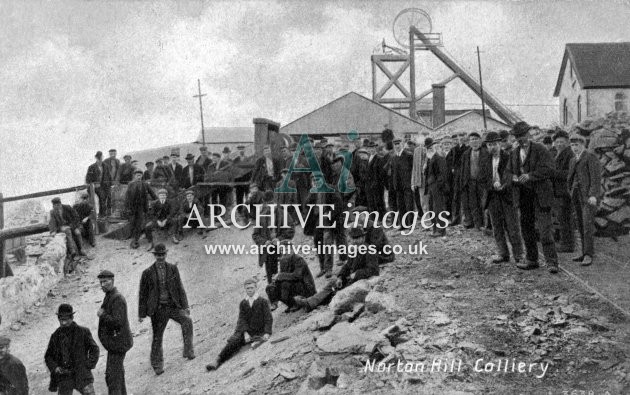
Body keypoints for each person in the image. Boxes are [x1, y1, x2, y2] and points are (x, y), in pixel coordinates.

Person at [507, 122, 559, 273]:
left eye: (522, 135)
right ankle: (532, 260)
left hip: (541, 195)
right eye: (517, 137)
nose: (520, 139)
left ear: (528, 134)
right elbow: (508, 171)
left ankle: (552, 262)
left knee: (545, 230)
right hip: (523, 196)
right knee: (527, 229)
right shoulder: (514, 153)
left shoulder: (540, 149)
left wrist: (530, 176)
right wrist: (514, 178)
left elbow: (549, 169)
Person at [138, 243, 195, 375]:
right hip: (158, 310)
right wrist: (141, 314)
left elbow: (180, 288)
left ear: (166, 254)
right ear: (155, 256)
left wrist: (185, 306)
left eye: (163, 255)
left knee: (187, 321)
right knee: (157, 337)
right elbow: (143, 294)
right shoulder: (147, 273)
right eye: (158, 255)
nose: (160, 257)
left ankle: (188, 351)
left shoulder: (173, 268)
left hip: (173, 306)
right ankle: (157, 365)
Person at [294, 227, 379, 311]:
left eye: (357, 238)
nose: (354, 241)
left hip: (362, 280)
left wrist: (356, 274)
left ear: (363, 238)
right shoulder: (354, 249)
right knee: (333, 282)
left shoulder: (370, 250)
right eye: (353, 238)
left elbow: (374, 270)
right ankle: (310, 303)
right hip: (352, 279)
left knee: (334, 291)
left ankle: (310, 303)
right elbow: (347, 266)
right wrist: (340, 277)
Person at [206, 278, 272, 371]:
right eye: (247, 288)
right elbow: (242, 319)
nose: (249, 290)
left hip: (259, 330)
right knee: (234, 341)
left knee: (258, 339)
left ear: (256, 288)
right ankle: (217, 360)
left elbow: (268, 318)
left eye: (251, 288)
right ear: (245, 289)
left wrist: (267, 332)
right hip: (247, 331)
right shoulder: (243, 303)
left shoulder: (263, 301)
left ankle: (254, 340)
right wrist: (245, 333)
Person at [480, 132, 524, 264]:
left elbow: (513, 176)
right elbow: (482, 179)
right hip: (492, 196)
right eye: (489, 145)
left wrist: (504, 185)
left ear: (500, 144)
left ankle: (519, 255)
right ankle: (503, 253)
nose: (492, 147)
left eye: (494, 144)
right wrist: (492, 185)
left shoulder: (509, 158)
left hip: (507, 196)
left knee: (513, 227)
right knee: (497, 227)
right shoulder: (485, 160)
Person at [45, 304, 100, 395]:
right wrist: (55, 367)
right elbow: (48, 356)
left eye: (66, 319)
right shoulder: (55, 335)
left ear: (72, 318)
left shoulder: (83, 332)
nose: (63, 323)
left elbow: (94, 349)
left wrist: (88, 365)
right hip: (65, 377)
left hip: (82, 375)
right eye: (61, 319)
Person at [568, 134, 602, 266]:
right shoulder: (572, 160)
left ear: (583, 145)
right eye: (572, 145)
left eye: (577, 145)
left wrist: (593, 195)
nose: (574, 147)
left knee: (587, 225)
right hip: (576, 196)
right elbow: (570, 178)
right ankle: (583, 252)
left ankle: (588, 254)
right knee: (580, 224)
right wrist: (570, 191)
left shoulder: (590, 157)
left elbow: (595, 178)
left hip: (588, 197)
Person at [97, 270, 132, 395]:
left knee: (112, 378)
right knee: (116, 375)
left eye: (105, 282)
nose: (102, 285)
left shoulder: (117, 298)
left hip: (118, 344)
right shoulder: (109, 296)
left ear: (112, 281)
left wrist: (103, 315)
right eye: (101, 282)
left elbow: (118, 322)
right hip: (115, 344)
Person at [252, 191, 295, 284]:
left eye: (272, 203)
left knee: (287, 273)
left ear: (275, 201)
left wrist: (279, 239)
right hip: (268, 249)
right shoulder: (261, 217)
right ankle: (273, 293)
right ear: (264, 203)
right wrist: (264, 242)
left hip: (283, 247)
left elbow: (291, 230)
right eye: (268, 204)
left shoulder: (284, 214)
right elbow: (255, 235)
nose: (270, 206)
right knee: (271, 276)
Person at [266, 241, 316, 312]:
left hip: (305, 288)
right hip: (292, 285)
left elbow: (297, 276)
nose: (285, 252)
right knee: (270, 287)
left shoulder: (298, 259)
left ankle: (297, 303)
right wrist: (276, 279)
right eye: (282, 250)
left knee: (285, 284)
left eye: (286, 249)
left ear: (292, 249)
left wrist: (280, 275)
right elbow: (284, 276)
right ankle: (291, 304)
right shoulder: (283, 260)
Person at [551, 130, 575, 253]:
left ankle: (568, 245)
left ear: (567, 142)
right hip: (559, 191)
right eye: (557, 142)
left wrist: (553, 173)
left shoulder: (569, 154)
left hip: (564, 191)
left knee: (565, 218)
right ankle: (565, 242)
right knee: (562, 218)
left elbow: (569, 173)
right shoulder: (559, 153)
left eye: (561, 142)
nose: (559, 144)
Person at [460, 132, 488, 230]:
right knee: (473, 204)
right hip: (471, 182)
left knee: (484, 203)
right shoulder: (466, 154)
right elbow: (463, 170)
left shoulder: (486, 152)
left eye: (476, 139)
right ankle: (477, 224)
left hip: (483, 183)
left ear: (480, 140)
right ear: (469, 142)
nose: (474, 141)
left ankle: (487, 225)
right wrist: (463, 183)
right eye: (472, 139)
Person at [125, 170, 157, 249]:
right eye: (137, 175)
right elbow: (127, 197)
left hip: (142, 207)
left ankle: (140, 240)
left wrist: (157, 201)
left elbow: (152, 194)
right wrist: (127, 208)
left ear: (142, 176)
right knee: (135, 223)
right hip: (133, 208)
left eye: (140, 175)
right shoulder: (130, 184)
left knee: (141, 222)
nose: (139, 177)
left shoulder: (145, 184)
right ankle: (136, 239)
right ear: (134, 176)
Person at [424, 138, 449, 237]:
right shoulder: (429, 159)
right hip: (431, 187)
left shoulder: (439, 158)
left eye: (431, 147)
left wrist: (438, 185)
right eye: (428, 148)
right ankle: (435, 229)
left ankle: (441, 230)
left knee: (439, 209)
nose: (429, 149)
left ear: (434, 147)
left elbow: (443, 174)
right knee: (432, 209)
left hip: (437, 188)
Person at [391, 138, 414, 228]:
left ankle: (410, 224)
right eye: (395, 145)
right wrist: (394, 184)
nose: (397, 146)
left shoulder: (408, 156)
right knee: (400, 205)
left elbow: (413, 170)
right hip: (398, 185)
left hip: (407, 184)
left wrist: (412, 183)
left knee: (409, 204)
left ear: (402, 144)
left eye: (398, 144)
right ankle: (403, 224)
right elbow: (393, 172)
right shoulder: (394, 158)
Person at [85, 151, 111, 218]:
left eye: (101, 157)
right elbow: (88, 179)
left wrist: (109, 184)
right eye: (98, 157)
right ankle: (99, 215)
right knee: (100, 197)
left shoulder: (106, 166)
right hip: (94, 187)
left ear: (102, 157)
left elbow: (109, 176)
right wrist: (94, 184)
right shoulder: (91, 167)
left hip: (104, 186)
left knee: (107, 197)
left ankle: (103, 214)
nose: (100, 159)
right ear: (96, 158)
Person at [365, 142, 387, 216]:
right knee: (371, 202)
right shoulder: (368, 159)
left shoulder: (379, 158)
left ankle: (381, 217)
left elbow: (381, 173)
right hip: (369, 185)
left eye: (373, 148)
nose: (372, 149)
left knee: (379, 202)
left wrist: (376, 183)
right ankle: (373, 218)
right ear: (368, 149)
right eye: (370, 148)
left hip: (377, 185)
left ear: (375, 148)